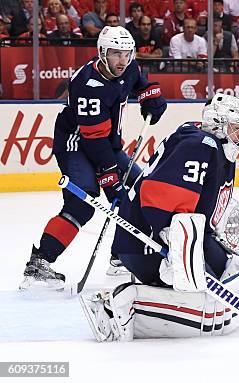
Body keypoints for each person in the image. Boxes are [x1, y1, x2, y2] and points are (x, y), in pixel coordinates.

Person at [80, 94, 239, 341]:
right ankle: (115, 306)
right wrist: (174, 245)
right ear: (218, 124)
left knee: (233, 270)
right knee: (197, 300)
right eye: (237, 129)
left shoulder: (211, 145)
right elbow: (160, 196)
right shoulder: (200, 145)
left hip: (181, 237)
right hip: (148, 243)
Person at [19, 26, 167, 291]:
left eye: (127, 54)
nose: (122, 60)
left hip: (103, 146)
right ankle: (38, 264)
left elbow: (139, 83)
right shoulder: (89, 85)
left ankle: (121, 255)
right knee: (82, 202)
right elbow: (93, 140)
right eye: (115, 54)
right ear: (102, 53)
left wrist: (151, 97)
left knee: (138, 190)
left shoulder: (128, 67)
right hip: (76, 144)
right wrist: (108, 176)